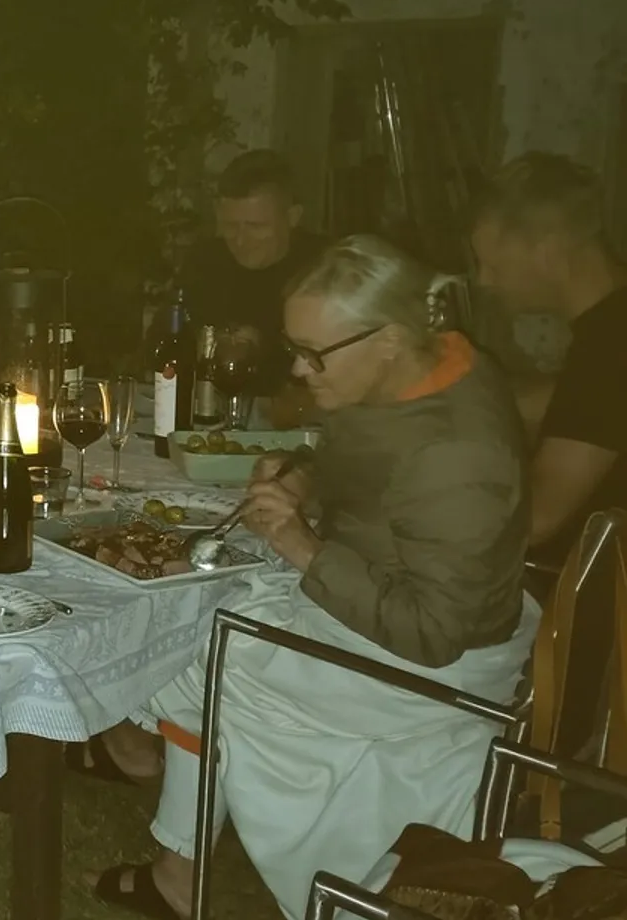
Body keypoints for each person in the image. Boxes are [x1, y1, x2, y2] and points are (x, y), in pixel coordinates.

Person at [77, 236, 538, 920]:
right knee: (192, 604)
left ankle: (173, 850)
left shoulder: (458, 457)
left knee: (181, 638)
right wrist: (306, 477)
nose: (297, 369)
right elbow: (373, 471)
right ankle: (176, 864)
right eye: (294, 347)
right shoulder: (421, 366)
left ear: (386, 339)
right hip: (383, 607)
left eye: (313, 354)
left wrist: (303, 546)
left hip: (428, 670)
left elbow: (434, 633)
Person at [468, 152, 626, 560]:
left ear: (548, 252)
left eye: (493, 265)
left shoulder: (609, 345)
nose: (484, 281)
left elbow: (536, 520)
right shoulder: (611, 321)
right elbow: (570, 405)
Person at [181, 149, 327, 418]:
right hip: (213, 413)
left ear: (293, 217)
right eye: (230, 226)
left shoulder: (326, 268)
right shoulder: (203, 262)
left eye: (256, 227)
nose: (240, 240)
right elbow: (173, 345)